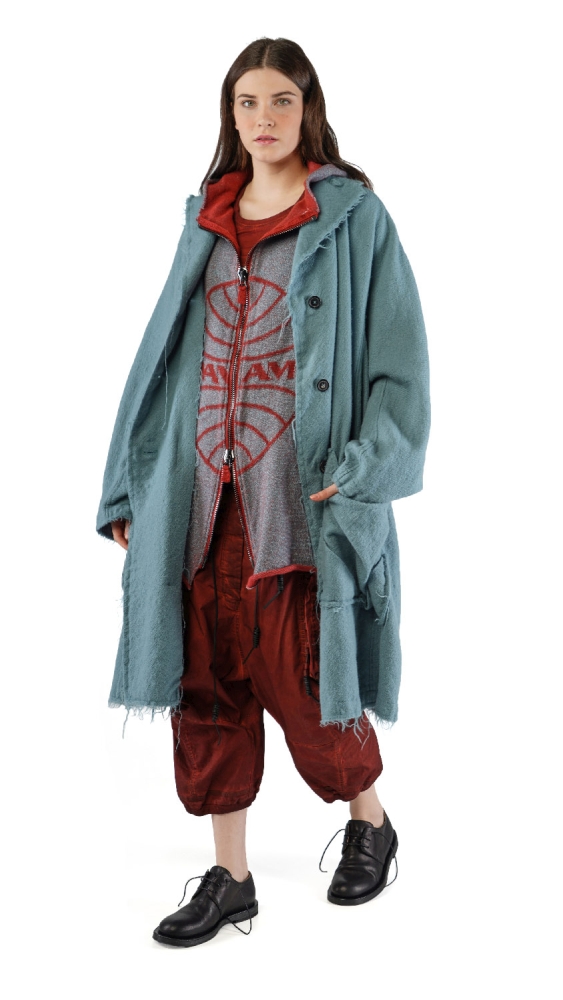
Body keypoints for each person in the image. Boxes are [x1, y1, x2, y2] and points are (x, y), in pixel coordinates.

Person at [97, 36, 430, 949]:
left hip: (299, 502)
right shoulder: (206, 217)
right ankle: (231, 878)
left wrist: (364, 466)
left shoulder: (352, 217)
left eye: (281, 99)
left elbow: (401, 366)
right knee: (204, 683)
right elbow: (160, 360)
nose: (263, 118)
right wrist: (127, 488)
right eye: (246, 102)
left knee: (307, 683)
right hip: (200, 502)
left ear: (308, 108)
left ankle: (369, 819)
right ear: (229, 115)